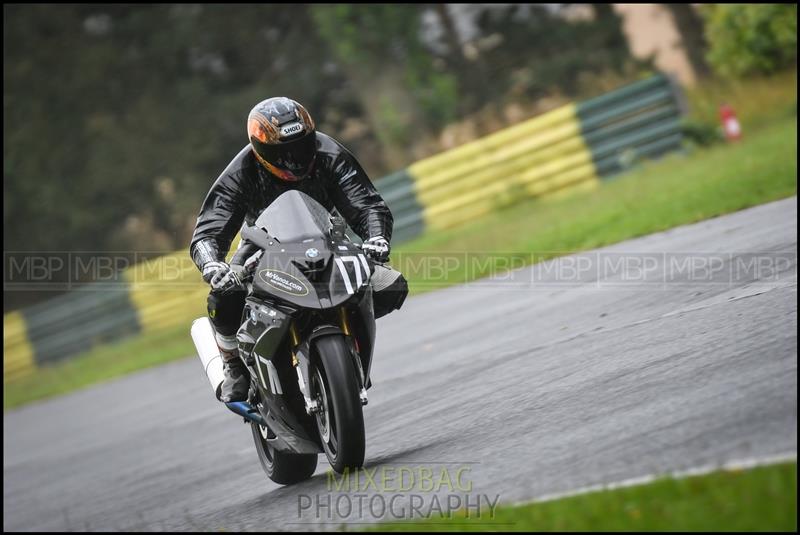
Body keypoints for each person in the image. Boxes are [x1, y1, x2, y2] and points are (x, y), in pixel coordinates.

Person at [189, 97, 408, 403]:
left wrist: (377, 238)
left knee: (390, 285)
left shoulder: (329, 153)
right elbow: (208, 232)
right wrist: (213, 265)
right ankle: (233, 364)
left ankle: (353, 350)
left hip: (327, 237)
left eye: (301, 146)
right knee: (224, 296)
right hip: (261, 246)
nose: (293, 158)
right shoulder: (240, 172)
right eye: (281, 152)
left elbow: (367, 205)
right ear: (260, 149)